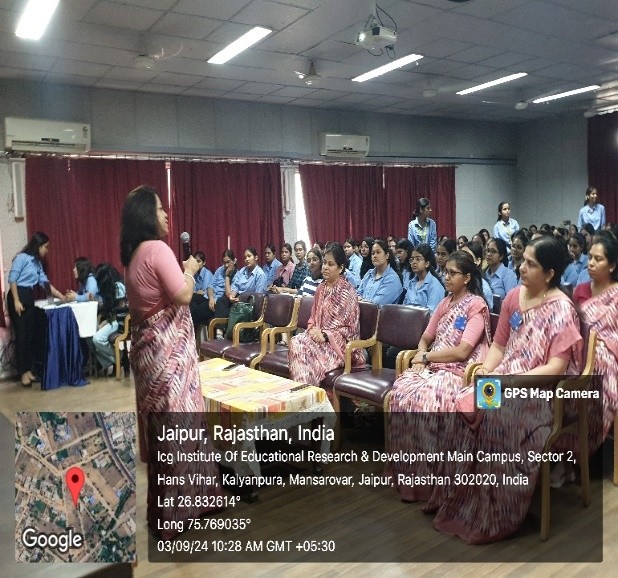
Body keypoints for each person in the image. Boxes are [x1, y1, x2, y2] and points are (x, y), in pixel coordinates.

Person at [432, 235, 583, 544]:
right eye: (522, 260)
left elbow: (555, 369)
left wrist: (509, 382)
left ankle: (498, 510)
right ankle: (464, 500)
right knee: (462, 404)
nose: (521, 267)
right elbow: (499, 346)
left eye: (531, 264)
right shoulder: (514, 296)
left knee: (495, 416)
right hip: (503, 379)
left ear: (549, 274)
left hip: (539, 393)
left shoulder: (562, 309)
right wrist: (487, 370)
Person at [120, 185, 222, 539]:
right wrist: (190, 269)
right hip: (168, 358)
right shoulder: (156, 249)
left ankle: (175, 507)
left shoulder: (134, 256)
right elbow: (182, 294)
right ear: (147, 215)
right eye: (160, 208)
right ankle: (178, 512)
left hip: (150, 358)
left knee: (164, 432)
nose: (166, 214)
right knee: (180, 430)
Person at [388, 250, 491, 502]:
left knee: (425, 400)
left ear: (467, 278)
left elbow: (463, 351)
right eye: (446, 272)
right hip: (434, 366)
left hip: (459, 373)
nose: (446, 277)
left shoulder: (476, 306)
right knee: (400, 391)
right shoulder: (445, 303)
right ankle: (410, 474)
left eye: (453, 273)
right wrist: (421, 355)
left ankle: (431, 479)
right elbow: (426, 337)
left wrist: (426, 357)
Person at [288, 242, 365, 386]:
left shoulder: (347, 292)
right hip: (319, 340)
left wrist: (324, 335)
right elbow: (313, 318)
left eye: (331, 264)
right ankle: (308, 391)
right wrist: (312, 329)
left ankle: (306, 390)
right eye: (324, 263)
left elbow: (349, 330)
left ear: (341, 268)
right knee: (296, 341)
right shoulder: (321, 288)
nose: (325, 267)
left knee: (302, 351)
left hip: (340, 347)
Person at [570, 232, 618, 456]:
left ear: (612, 265)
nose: (590, 263)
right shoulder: (580, 290)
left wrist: (599, 344)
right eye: (590, 257)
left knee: (597, 365)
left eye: (598, 259)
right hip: (579, 353)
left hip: (607, 358)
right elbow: (572, 326)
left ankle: (583, 448)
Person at [7, 232, 65, 386]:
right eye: (46, 247)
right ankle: (22, 373)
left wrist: (61, 296)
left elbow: (45, 283)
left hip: (28, 296)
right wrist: (16, 301)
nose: (47, 250)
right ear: (38, 246)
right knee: (22, 335)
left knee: (30, 335)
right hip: (17, 296)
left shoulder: (37, 264)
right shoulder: (22, 258)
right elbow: (12, 280)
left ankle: (28, 370)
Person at [92, 263, 127, 376]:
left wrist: (106, 321)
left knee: (97, 339)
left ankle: (120, 356)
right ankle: (117, 360)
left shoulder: (118, 286)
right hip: (112, 320)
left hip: (120, 321)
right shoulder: (108, 289)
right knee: (92, 340)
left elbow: (121, 310)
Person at [213, 247, 267, 318]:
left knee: (228, 310)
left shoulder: (260, 274)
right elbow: (236, 286)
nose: (247, 259)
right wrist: (232, 296)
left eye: (249, 256)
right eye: (245, 257)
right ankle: (222, 324)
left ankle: (224, 324)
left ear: (256, 257)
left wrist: (241, 299)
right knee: (221, 301)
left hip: (248, 303)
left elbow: (258, 297)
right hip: (237, 300)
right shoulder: (242, 270)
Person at [357, 239, 403, 305]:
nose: (375, 256)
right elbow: (357, 294)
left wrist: (360, 300)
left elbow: (376, 305)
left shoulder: (392, 279)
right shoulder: (369, 273)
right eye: (373, 253)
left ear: (387, 255)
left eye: (378, 252)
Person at [403, 243, 445, 314]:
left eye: (418, 259)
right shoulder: (411, 283)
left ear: (427, 263)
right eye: (412, 259)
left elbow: (431, 314)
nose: (414, 262)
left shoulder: (434, 285)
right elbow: (404, 307)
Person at [462, 240, 494, 309]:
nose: (462, 260)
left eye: (467, 257)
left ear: (478, 261)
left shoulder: (483, 288)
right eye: (461, 256)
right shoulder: (458, 281)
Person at [188, 251, 216, 328]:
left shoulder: (207, 273)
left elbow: (204, 292)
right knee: (191, 304)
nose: (196, 263)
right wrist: (196, 292)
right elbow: (191, 290)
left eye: (199, 261)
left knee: (192, 300)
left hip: (206, 300)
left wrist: (196, 292)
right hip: (197, 300)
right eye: (195, 261)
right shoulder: (194, 274)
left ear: (204, 263)